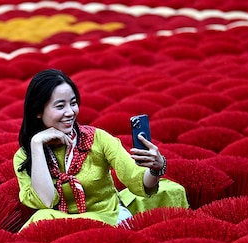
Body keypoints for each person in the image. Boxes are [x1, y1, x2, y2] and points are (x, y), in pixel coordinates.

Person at [14, 68, 168, 229]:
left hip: (107, 218)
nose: (70, 112)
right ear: (38, 111)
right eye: (60, 106)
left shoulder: (97, 139)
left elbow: (135, 178)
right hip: (63, 224)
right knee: (42, 217)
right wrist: (36, 144)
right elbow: (46, 200)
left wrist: (156, 168)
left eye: (73, 103)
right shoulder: (24, 156)